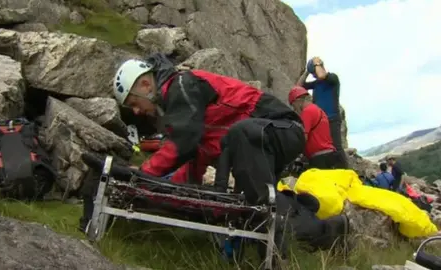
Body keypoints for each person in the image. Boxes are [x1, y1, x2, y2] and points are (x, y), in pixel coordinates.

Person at [112, 53, 305, 204]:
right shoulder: (182, 110)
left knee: (257, 200)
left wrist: (142, 173)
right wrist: (164, 191)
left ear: (146, 85)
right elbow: (195, 155)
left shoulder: (181, 85)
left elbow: (182, 143)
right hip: (262, 137)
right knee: (251, 203)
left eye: (134, 103)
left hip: (282, 127)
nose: (136, 111)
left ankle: (276, 238)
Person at [296, 57, 349, 168]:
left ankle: (346, 171)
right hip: (321, 121)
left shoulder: (333, 78)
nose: (315, 75)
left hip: (332, 118)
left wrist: (317, 63)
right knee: (326, 148)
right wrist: (307, 71)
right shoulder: (316, 84)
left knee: (337, 147)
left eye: (314, 71)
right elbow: (298, 87)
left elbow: (322, 75)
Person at [288, 86, 347, 169]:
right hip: (329, 154)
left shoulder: (307, 112)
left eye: (294, 106)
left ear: (298, 101)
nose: (295, 110)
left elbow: (303, 137)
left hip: (319, 158)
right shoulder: (318, 110)